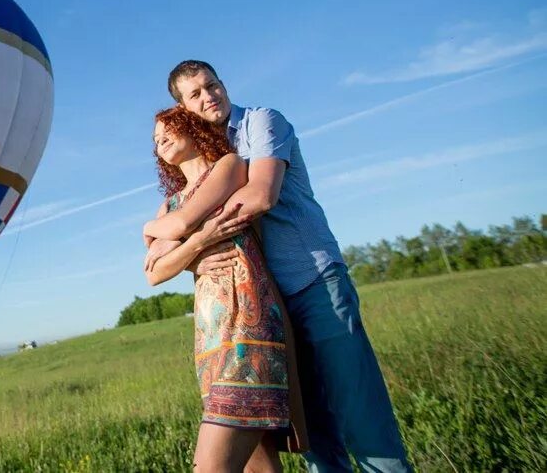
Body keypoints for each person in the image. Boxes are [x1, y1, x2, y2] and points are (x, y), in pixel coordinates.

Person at [155, 60, 412, 473]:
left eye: (212, 84)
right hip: (271, 305)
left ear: (223, 83)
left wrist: (187, 234)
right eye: (196, 94)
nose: (209, 96)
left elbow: (260, 197)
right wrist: (188, 250)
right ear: (185, 109)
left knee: (361, 415)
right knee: (312, 432)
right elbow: (159, 259)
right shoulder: (210, 160)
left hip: (314, 281)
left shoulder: (260, 123)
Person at [143, 105, 306, 473]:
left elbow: (181, 223)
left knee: (211, 466)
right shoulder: (168, 203)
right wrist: (197, 247)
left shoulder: (229, 166)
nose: (160, 140)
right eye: (155, 140)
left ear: (191, 126)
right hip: (209, 338)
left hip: (248, 323)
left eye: (167, 129)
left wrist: (165, 235)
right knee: (259, 465)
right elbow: (154, 273)